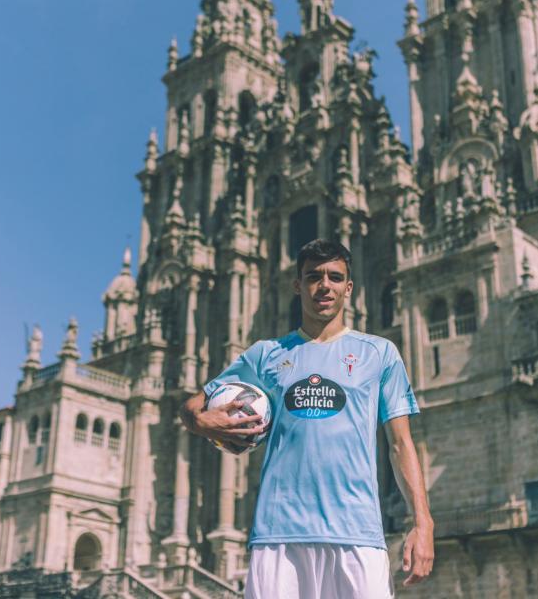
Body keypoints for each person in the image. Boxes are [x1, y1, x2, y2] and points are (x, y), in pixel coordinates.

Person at [180, 239, 434, 598]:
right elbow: (191, 407)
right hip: (278, 535)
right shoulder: (265, 355)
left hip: (357, 534)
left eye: (334, 277)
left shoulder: (380, 354)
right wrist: (204, 422)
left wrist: (423, 523)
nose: (324, 285)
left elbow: (401, 443)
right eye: (314, 276)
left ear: (348, 287)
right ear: (298, 285)